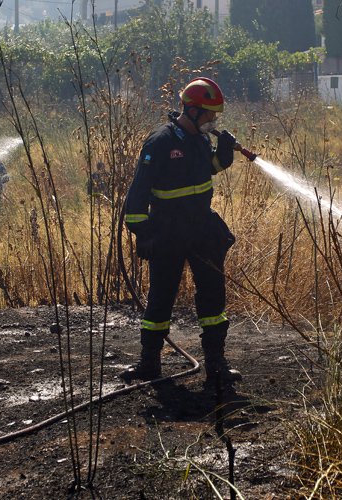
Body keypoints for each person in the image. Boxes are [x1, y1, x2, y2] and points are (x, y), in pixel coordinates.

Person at [120, 77, 241, 389]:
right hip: (168, 230)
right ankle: (149, 362)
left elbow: (205, 168)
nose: (214, 121)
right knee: (161, 296)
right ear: (193, 110)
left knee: (213, 294)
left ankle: (216, 362)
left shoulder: (200, 140)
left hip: (202, 227)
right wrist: (142, 232)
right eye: (210, 115)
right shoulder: (159, 143)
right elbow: (137, 195)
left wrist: (223, 154)